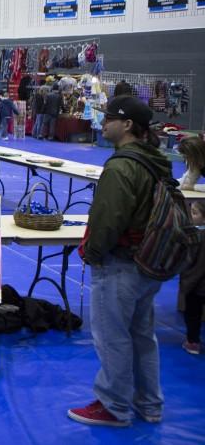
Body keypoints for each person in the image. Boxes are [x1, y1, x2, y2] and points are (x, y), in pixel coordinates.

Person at [69, 96, 169, 428]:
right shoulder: (155, 161)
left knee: (112, 337)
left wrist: (92, 254)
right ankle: (149, 403)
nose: (103, 122)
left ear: (127, 125)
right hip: (149, 263)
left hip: (121, 265)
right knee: (142, 335)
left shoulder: (122, 166)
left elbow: (108, 220)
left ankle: (114, 405)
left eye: (110, 118)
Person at [179, 201, 205, 356]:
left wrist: (186, 284)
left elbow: (192, 264)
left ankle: (192, 342)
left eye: (195, 213)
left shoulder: (197, 237)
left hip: (196, 285)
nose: (191, 216)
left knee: (192, 315)